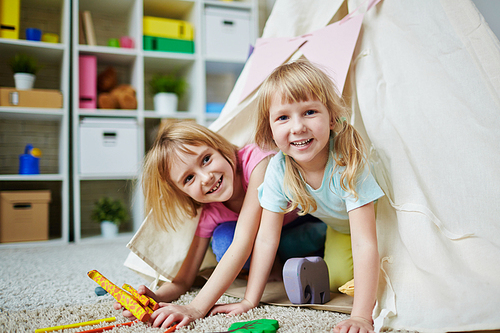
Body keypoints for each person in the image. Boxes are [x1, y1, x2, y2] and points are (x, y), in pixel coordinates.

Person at [210, 59, 384, 333]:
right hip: (340, 228)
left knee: (384, 276)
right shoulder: (278, 168)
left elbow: (366, 242)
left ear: (331, 117)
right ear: (269, 129)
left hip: (381, 228)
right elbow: (267, 238)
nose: (298, 127)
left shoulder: (347, 160)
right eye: (283, 117)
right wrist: (249, 300)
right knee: (336, 280)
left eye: (310, 112)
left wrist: (361, 315)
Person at [114, 120, 326, 328]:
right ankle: (275, 265)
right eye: (189, 179)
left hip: (299, 224)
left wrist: (196, 307)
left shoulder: (258, 162)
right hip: (267, 244)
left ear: (219, 148)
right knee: (224, 240)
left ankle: (297, 260)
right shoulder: (209, 212)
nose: (206, 178)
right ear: (182, 193)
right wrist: (156, 296)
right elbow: (184, 280)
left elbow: (244, 240)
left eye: (206, 159)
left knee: (317, 232)